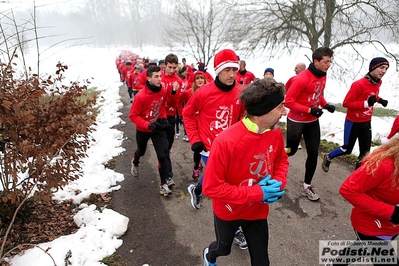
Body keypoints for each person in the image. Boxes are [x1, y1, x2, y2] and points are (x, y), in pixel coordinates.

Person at [202, 78, 289, 266]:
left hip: (257, 211)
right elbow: (210, 188)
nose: (284, 112)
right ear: (262, 110)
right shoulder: (225, 141)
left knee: (261, 261)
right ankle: (209, 255)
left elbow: (281, 160)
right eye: (280, 107)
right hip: (229, 211)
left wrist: (278, 182)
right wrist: (258, 192)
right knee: (222, 249)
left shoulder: (274, 132)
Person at [183, 48, 247, 249]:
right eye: (226, 69)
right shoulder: (203, 92)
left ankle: (197, 189)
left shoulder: (240, 92)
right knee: (224, 186)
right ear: (217, 70)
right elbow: (188, 114)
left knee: (215, 179)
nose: (231, 74)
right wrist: (195, 139)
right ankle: (235, 231)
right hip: (208, 148)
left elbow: (243, 118)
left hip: (231, 147)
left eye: (234, 70)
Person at [328, 123, 399, 266]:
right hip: (371, 226)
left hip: (391, 227)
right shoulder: (383, 165)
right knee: (369, 246)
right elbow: (348, 190)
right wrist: (390, 212)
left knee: (362, 248)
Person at [284, 47, 335, 201]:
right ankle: (273, 157)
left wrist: (325, 105)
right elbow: (288, 101)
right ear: (316, 61)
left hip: (312, 122)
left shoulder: (323, 75)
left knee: (313, 153)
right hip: (296, 121)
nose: (328, 65)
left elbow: (318, 94)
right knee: (291, 151)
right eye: (326, 62)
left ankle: (306, 186)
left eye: (330, 62)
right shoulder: (302, 79)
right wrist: (309, 110)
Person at [321, 57, 390, 172]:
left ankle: (356, 179)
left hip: (366, 122)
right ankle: (328, 156)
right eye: (381, 67)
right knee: (347, 149)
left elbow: (372, 95)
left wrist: (380, 100)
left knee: (365, 153)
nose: (384, 71)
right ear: (373, 68)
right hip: (353, 122)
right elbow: (346, 103)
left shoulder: (378, 82)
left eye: (386, 69)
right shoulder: (359, 84)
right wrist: (366, 103)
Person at [129, 65, 177, 196]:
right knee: (141, 151)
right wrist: (147, 125)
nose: (159, 79)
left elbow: (161, 106)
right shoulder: (141, 96)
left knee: (162, 156)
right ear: (149, 79)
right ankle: (135, 162)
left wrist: (163, 118)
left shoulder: (162, 91)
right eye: (156, 77)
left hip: (156, 128)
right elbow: (133, 116)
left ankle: (163, 185)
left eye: (160, 76)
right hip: (143, 129)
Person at [179, 71, 208, 178]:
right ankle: (196, 167)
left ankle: (199, 163)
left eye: (202, 78)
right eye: (197, 78)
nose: (200, 80)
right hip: (193, 124)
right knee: (197, 147)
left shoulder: (209, 92)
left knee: (205, 147)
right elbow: (179, 99)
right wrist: (182, 111)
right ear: (194, 81)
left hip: (205, 124)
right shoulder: (188, 93)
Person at [162, 53, 183, 186]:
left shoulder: (178, 81)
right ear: (165, 65)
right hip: (158, 116)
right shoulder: (159, 77)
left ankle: (165, 169)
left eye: (174, 67)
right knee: (163, 149)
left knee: (167, 147)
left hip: (170, 116)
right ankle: (168, 176)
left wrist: (174, 92)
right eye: (170, 67)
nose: (172, 70)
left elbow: (175, 102)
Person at [286, 62, 307, 149]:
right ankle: (291, 144)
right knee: (291, 143)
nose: (294, 70)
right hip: (294, 112)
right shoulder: (292, 79)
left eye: (296, 68)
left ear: (302, 69)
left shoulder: (308, 80)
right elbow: (285, 89)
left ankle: (298, 141)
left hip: (306, 113)